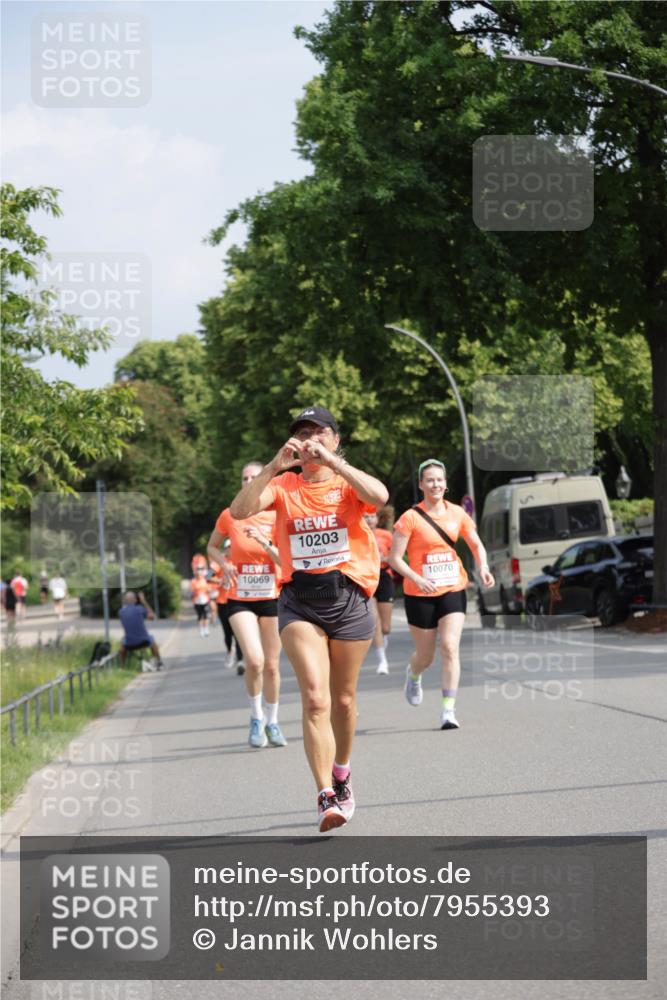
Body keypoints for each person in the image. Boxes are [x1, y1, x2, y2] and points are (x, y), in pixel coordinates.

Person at [229, 406, 388, 832]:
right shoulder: (282, 486)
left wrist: (336, 464)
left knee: (344, 700)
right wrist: (271, 468)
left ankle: (341, 772)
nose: (311, 439)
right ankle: (324, 795)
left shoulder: (345, 482)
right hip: (299, 600)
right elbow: (240, 511)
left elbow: (380, 497)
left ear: (336, 439)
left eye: (319, 432)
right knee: (316, 698)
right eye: (303, 433)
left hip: (349, 598)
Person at [387, 459, 494, 730]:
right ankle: (413, 675)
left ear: (445, 485)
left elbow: (476, 544)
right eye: (430, 480)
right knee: (426, 656)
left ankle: (448, 710)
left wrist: (483, 567)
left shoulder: (457, 513)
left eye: (439, 480)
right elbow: (395, 559)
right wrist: (416, 578)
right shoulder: (409, 518)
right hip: (419, 592)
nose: (435, 484)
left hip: (453, 587)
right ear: (421, 485)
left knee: (449, 647)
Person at [207, 462, 286, 750]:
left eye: (255, 477)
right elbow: (212, 546)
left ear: (264, 481)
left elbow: (285, 562)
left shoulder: (277, 513)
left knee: (273, 667)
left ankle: (273, 721)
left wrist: (266, 543)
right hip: (240, 597)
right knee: (255, 660)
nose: (249, 481)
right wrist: (224, 564)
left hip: (272, 596)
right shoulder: (230, 515)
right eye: (245, 478)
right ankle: (256, 717)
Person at [364, 506, 396, 674]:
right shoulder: (356, 535)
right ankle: (382, 660)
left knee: (385, 626)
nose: (369, 520)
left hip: (384, 576)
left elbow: (397, 557)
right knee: (374, 620)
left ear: (377, 519)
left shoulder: (386, 536)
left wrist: (387, 559)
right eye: (366, 517)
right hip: (366, 577)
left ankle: (384, 638)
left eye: (372, 517)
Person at [214, 541, 244, 672]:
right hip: (223, 601)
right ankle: (229, 651)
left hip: (238, 601)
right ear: (225, 549)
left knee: (238, 633)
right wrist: (221, 580)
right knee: (227, 633)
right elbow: (208, 576)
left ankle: (240, 661)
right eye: (228, 547)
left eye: (233, 547)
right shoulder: (221, 562)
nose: (231, 550)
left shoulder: (241, 560)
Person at [119, 591, 164, 670]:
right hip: (144, 641)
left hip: (129, 644)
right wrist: (144, 601)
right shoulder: (140, 609)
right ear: (135, 600)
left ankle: (122, 667)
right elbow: (152, 617)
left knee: (122, 645)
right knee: (153, 642)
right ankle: (159, 662)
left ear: (125, 601)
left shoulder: (121, 612)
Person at [190, 563, 211, 637]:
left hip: (205, 600)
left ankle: (206, 629)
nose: (199, 573)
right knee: (199, 616)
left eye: (200, 570)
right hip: (197, 601)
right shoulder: (193, 581)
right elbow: (191, 590)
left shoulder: (205, 580)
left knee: (205, 615)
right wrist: (195, 593)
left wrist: (207, 591)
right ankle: (201, 629)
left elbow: (209, 588)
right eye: (198, 570)